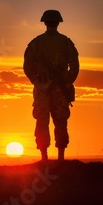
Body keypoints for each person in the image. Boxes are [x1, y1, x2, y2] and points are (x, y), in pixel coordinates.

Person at [23, 9, 79, 161]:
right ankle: (61, 157)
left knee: (42, 121)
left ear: (45, 22)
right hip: (60, 88)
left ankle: (44, 158)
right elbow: (74, 68)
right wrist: (65, 81)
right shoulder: (66, 43)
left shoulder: (36, 43)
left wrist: (37, 81)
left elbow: (27, 66)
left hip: (42, 87)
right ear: (58, 22)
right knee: (61, 121)